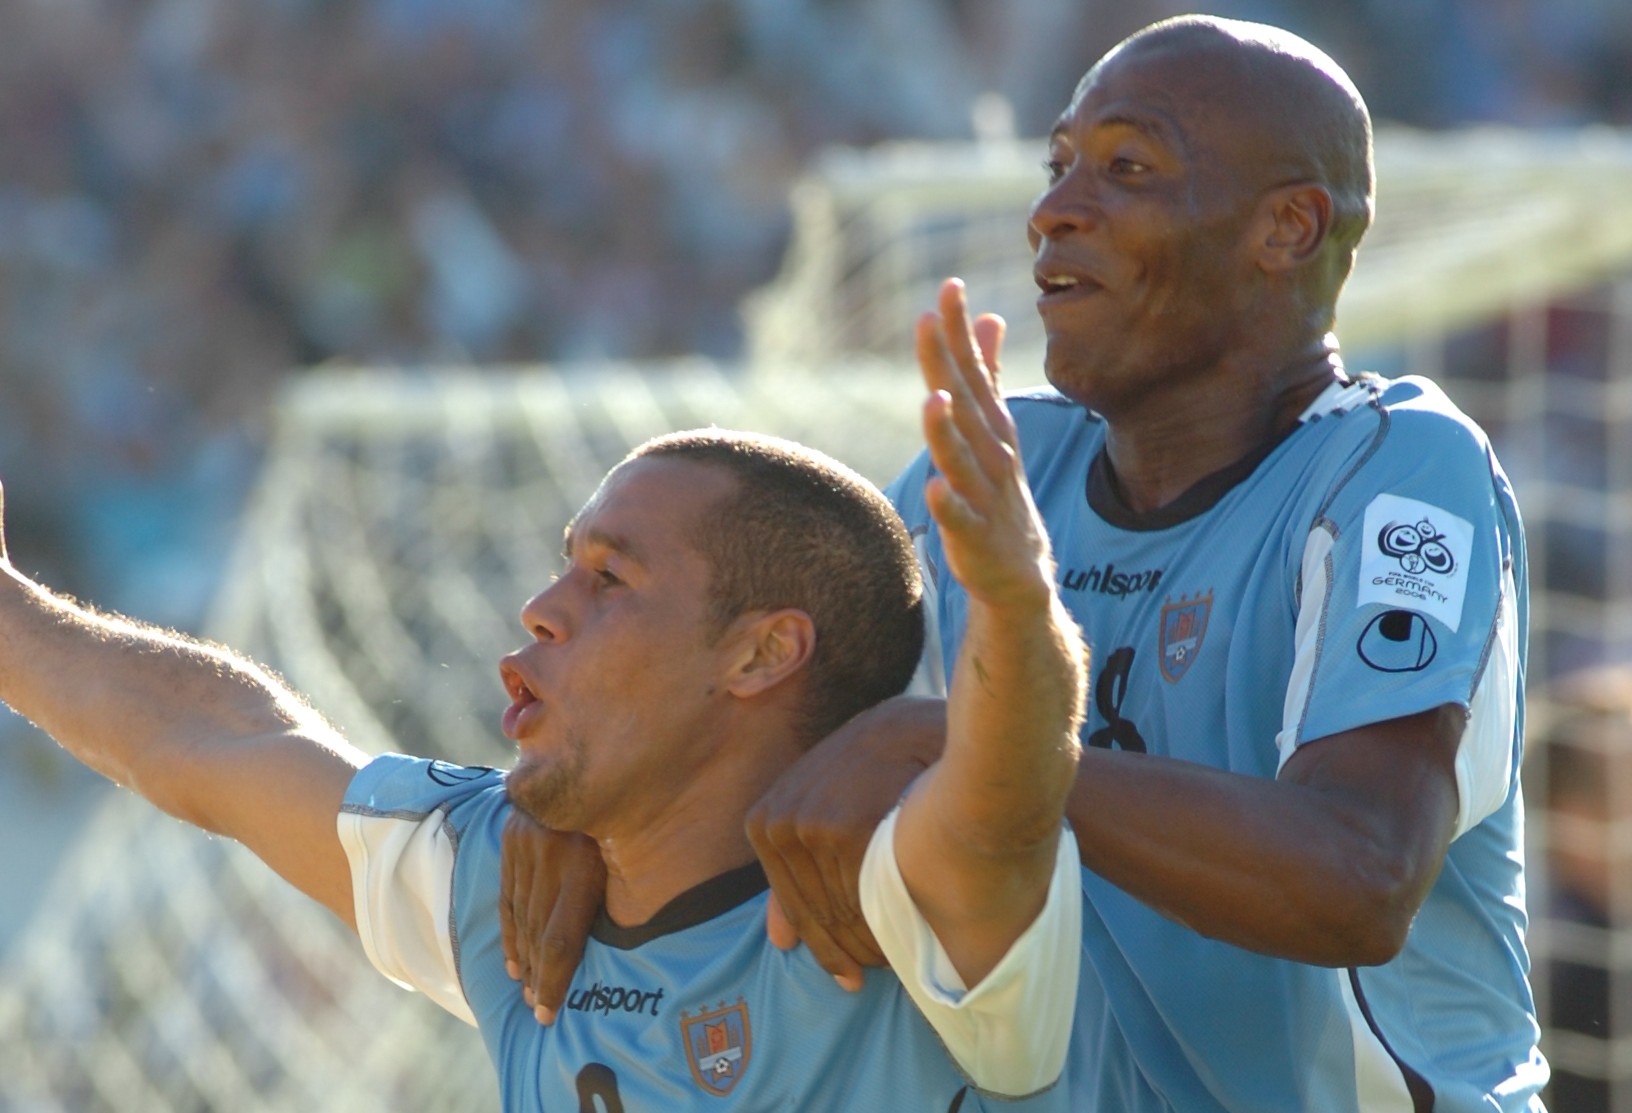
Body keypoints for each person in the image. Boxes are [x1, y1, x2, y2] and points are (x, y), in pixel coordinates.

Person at [504, 14, 1547, 1112]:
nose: (1054, 210)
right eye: (1057, 166)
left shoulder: (1397, 475)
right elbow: (760, 704)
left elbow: (1359, 876)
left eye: (1127, 167)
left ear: (1286, 227)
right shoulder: (1016, 463)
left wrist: (978, 751)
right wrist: (595, 813)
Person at [0, 388, 1089, 1104]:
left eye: (609, 579)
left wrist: (1010, 597)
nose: (539, 609)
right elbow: (223, 739)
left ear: (762, 655)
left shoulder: (900, 900)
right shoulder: (510, 899)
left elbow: (1009, 794)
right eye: (563, 567)